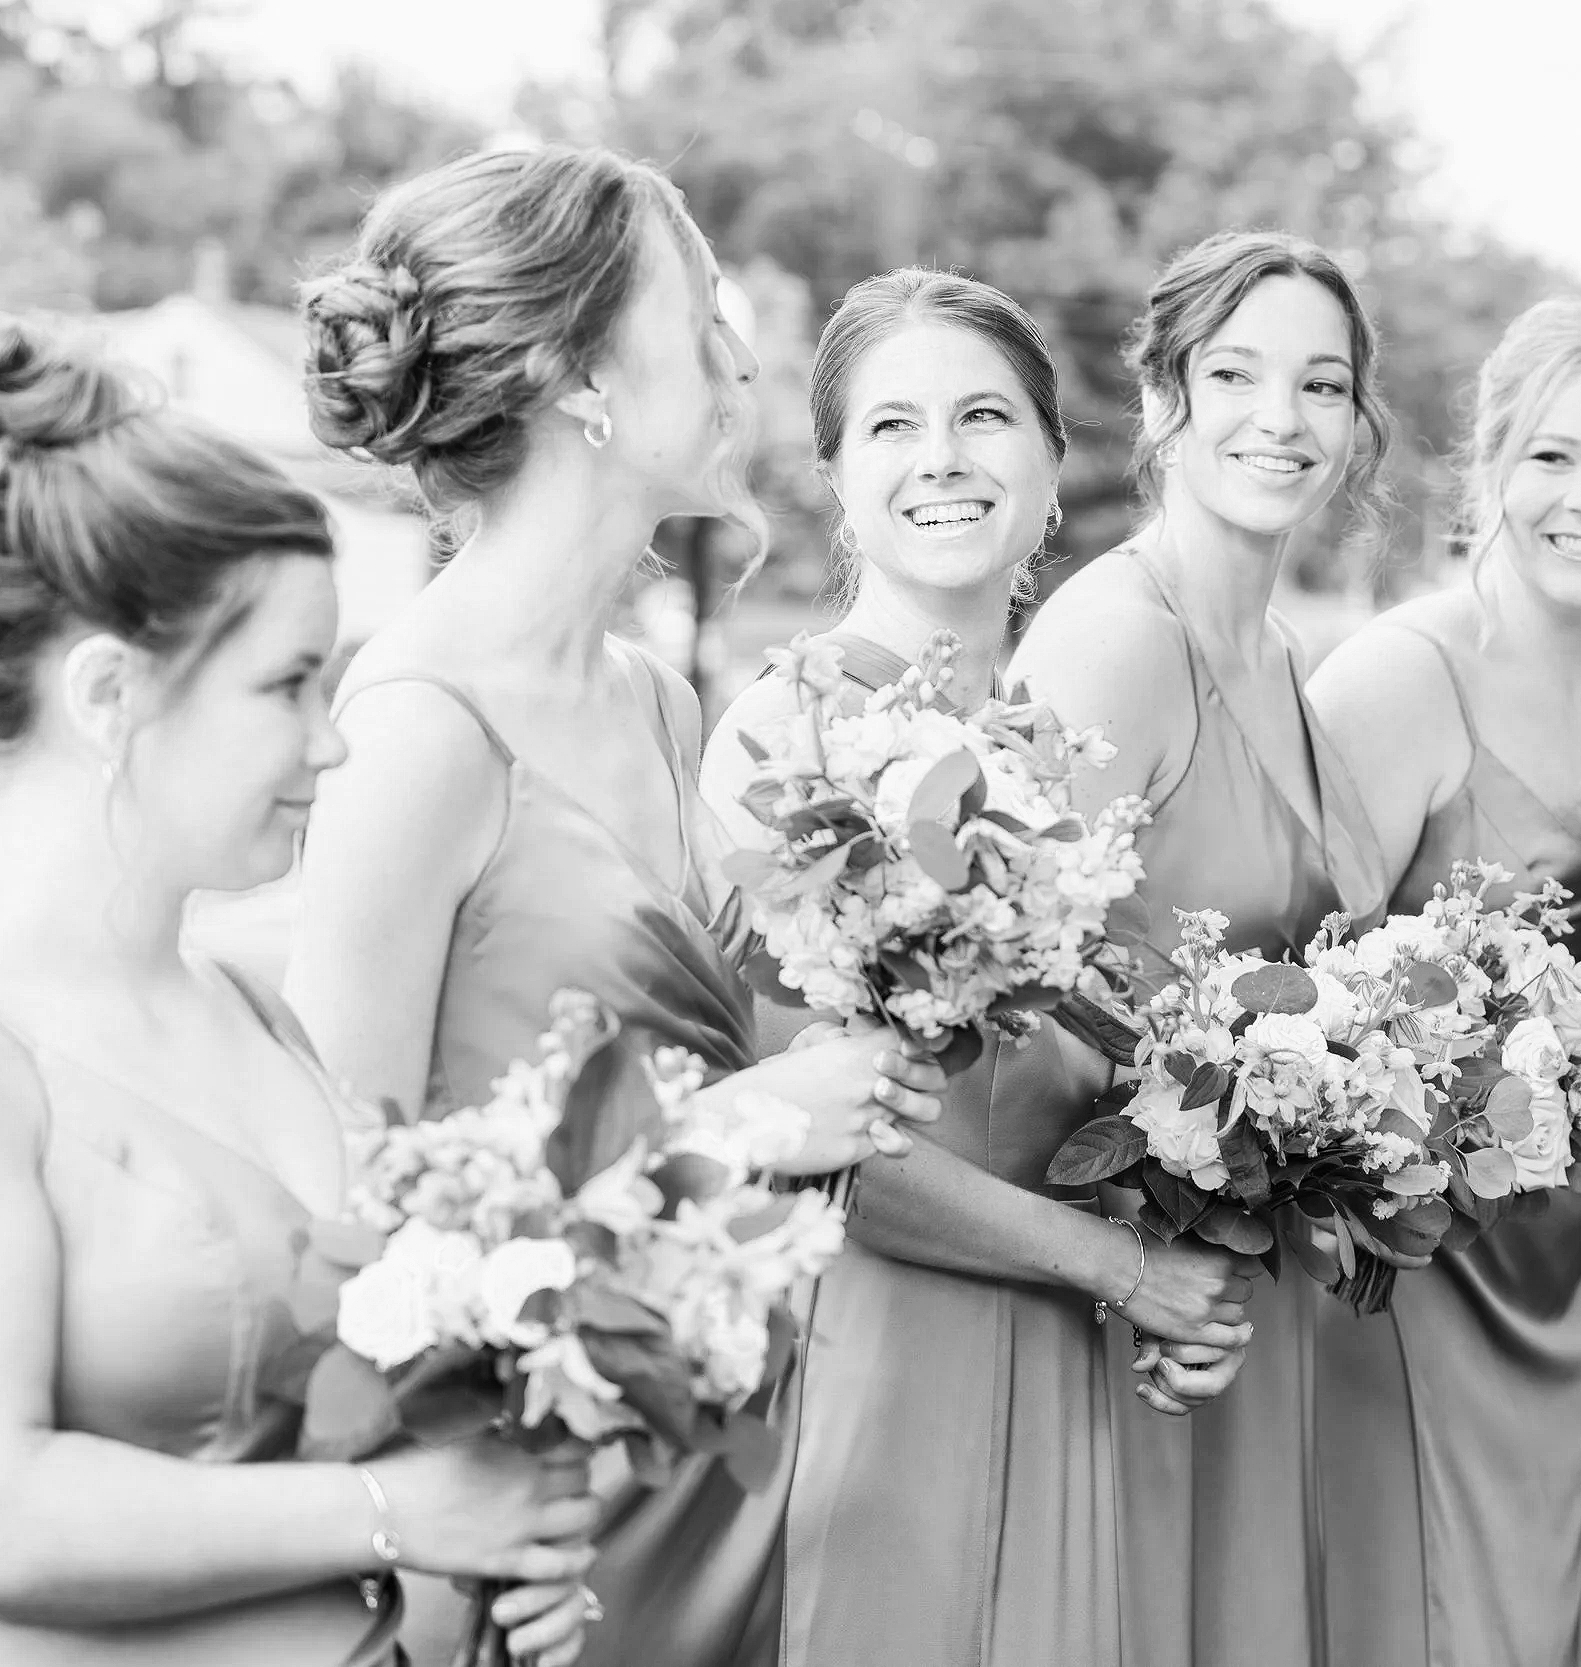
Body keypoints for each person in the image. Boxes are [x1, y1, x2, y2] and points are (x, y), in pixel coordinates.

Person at [0, 312, 603, 1667]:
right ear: (109, 694)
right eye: (286, 686)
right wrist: (401, 1513)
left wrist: (496, 1552)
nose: (332, 742)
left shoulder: (255, 1016)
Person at [283, 145, 946, 1667]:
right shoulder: (418, 730)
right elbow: (344, 1205)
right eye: (700, 314)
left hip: (709, 1447)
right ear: (580, 375)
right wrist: (742, 1125)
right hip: (535, 1505)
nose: (740, 359)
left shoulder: (655, 698)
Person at [702, 268, 1258, 1666]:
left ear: (1053, 463)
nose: (943, 458)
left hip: (1070, 1360)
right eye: (893, 426)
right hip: (876, 1375)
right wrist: (1123, 1269)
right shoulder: (784, 738)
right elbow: (815, 1133)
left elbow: (1086, 1085)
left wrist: (1178, 1247)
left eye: (984, 416)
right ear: (836, 478)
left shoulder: (1058, 748)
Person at [1307, 298, 1581, 1667]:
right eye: (1554, 456)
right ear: (1491, 464)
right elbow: (1306, 1008)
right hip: (1402, 1269)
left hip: (1560, 1260)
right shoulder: (1402, 679)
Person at [1007, 230, 1394, 1667]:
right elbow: (1012, 1002)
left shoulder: (1284, 659)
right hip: (1132, 1306)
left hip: (1245, 1286)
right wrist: (1136, 1270)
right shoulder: (1112, 642)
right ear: (1164, 395)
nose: (1280, 417)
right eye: (1236, 373)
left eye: (1321, 384)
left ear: (1357, 423)